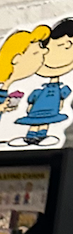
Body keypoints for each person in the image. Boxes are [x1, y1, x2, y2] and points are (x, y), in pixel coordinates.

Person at [10, 18, 73, 146]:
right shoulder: (35, 85)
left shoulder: (62, 87)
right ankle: (31, 137)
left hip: (51, 111)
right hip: (38, 110)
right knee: (35, 123)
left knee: (44, 122)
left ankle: (41, 136)